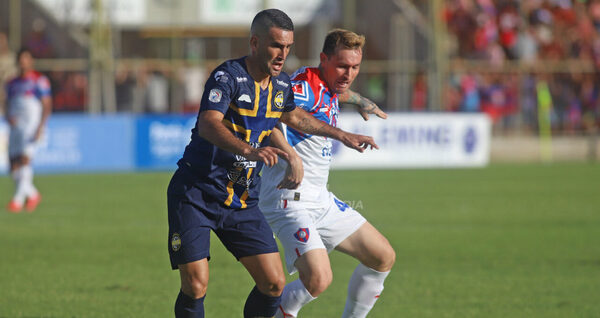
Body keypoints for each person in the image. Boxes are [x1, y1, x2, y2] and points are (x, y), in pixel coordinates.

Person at [167, 10, 378, 318]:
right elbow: (208, 125)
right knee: (196, 285)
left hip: (240, 197)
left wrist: (339, 134)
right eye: (276, 45)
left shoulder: (280, 85)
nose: (283, 54)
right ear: (255, 42)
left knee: (274, 283)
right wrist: (249, 150)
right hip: (196, 193)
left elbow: (293, 118)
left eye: (288, 47)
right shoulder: (228, 77)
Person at [259, 29, 396, 318]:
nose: (349, 73)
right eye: (342, 65)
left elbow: (337, 92)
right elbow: (273, 111)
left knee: (382, 256)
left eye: (355, 67)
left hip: (320, 199)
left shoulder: (327, 84)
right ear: (324, 59)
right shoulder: (302, 84)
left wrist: (359, 100)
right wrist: (340, 135)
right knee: (318, 279)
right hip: (288, 198)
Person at [3, 48, 51, 213]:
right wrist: (8, 116)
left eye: (26, 59)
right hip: (16, 126)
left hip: (32, 125)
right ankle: (32, 194)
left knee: (25, 158)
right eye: (21, 59)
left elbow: (47, 104)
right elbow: (7, 103)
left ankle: (17, 200)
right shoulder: (12, 83)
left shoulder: (39, 80)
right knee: (13, 164)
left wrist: (41, 126)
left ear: (31, 61)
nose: (23, 62)